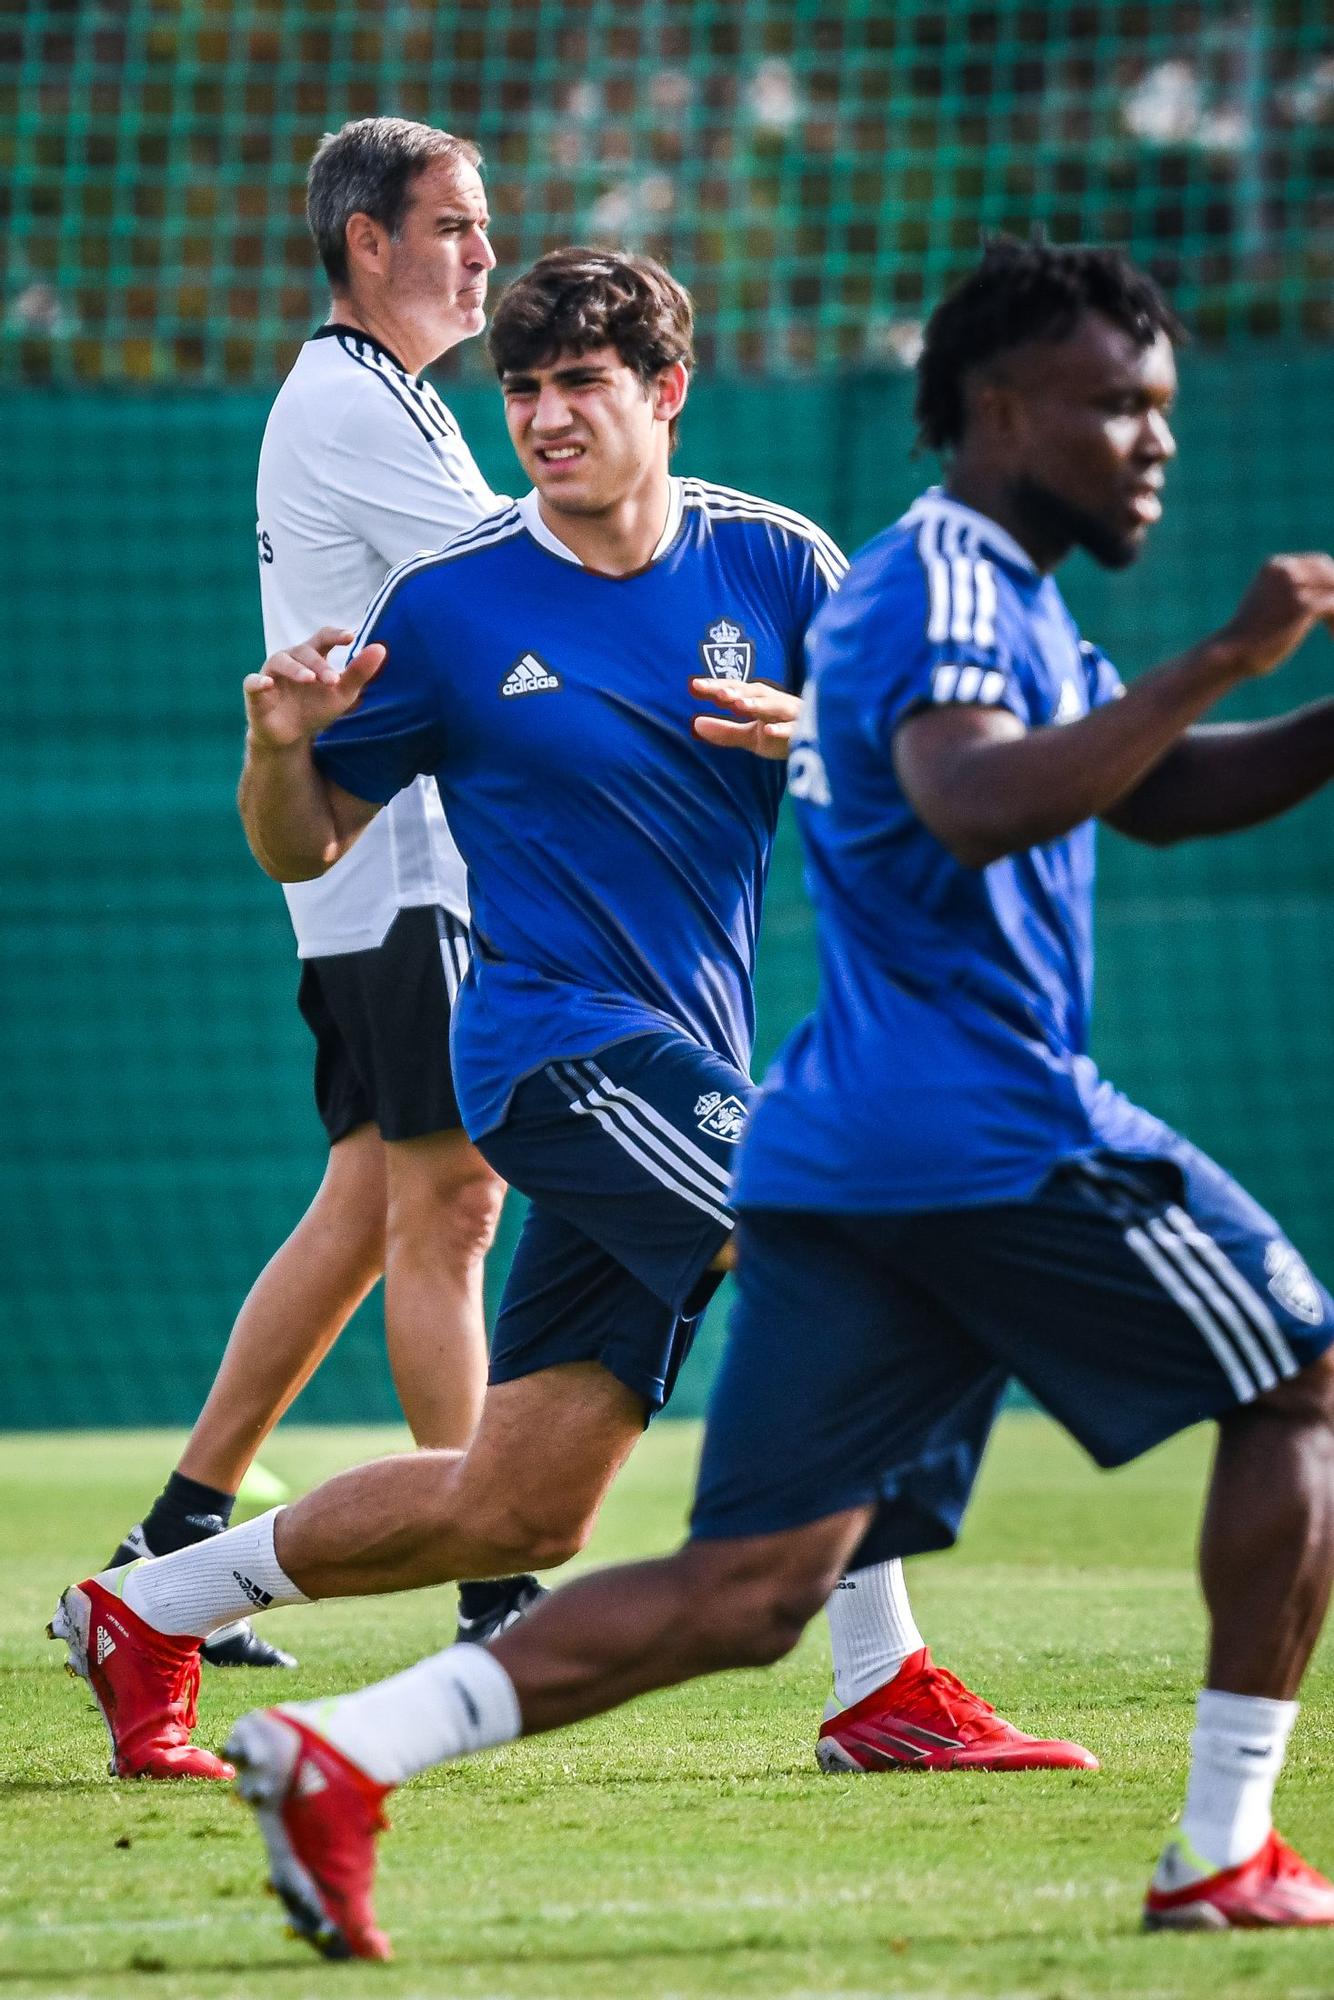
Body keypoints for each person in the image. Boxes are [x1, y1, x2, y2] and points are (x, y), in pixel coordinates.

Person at [209, 238, 1334, 1952]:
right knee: (1299, 1382)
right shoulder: (924, 587)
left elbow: (1149, 794)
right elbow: (966, 798)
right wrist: (1227, 654)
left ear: (663, 392)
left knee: (678, 1565)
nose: (1151, 439)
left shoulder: (848, 575)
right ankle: (1214, 1846)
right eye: (1116, 407)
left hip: (805, 1117)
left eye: (579, 382)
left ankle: (310, 1724)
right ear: (1002, 412)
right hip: (924, 1112)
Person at [50, 249, 1091, 1807]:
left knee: (515, 1511)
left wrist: (824, 732)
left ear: (663, 393)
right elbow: (301, 842)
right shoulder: (453, 602)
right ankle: (885, 1684)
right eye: (522, 388)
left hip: (683, 1068)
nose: (542, 416)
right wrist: (276, 749)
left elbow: (934, 759)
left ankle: (151, 1606)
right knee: (833, 1235)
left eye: (579, 384)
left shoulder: (779, 564)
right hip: (541, 1049)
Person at [100, 116, 539, 1677]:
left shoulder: (380, 399)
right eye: (454, 225)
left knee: (370, 1210)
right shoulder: (351, 402)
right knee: (454, 1207)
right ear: (369, 244)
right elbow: (513, 570)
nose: (484, 251)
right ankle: (498, 1575)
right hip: (395, 864)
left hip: (383, 870)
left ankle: (172, 1534)